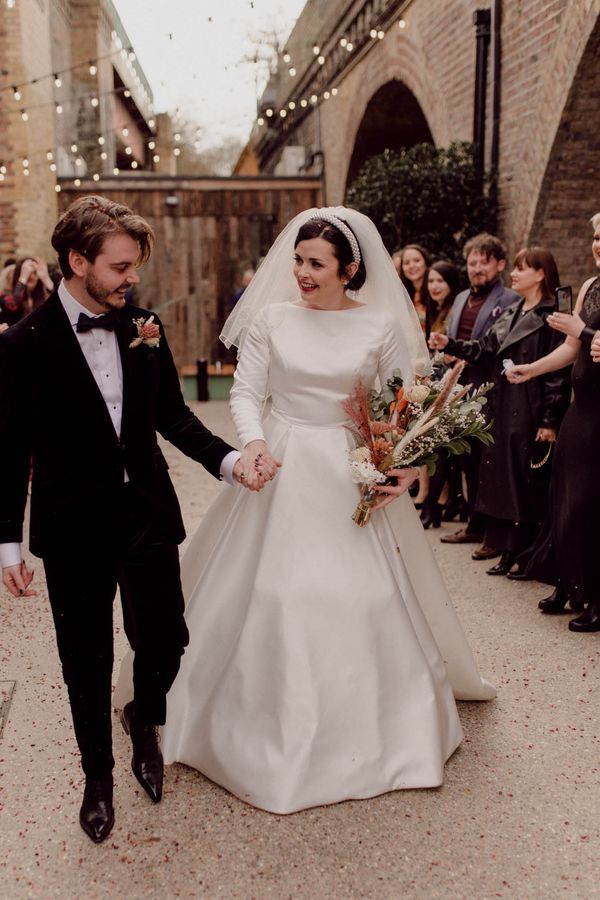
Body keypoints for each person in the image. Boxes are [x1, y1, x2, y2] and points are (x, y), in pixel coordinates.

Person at [115, 206, 495, 815]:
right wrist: (253, 443)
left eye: (316, 264)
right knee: (275, 592)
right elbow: (246, 391)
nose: (302, 273)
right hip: (282, 464)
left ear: (349, 270)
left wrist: (406, 460)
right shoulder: (273, 319)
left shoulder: (379, 325)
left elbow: (407, 400)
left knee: (365, 594)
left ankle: (375, 726)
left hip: (351, 470)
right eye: (297, 260)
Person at [0, 195, 260, 843]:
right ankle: (98, 778)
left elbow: (172, 414)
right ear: (77, 261)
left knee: (167, 638)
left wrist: (230, 461)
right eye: (119, 267)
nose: (132, 278)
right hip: (71, 527)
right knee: (84, 660)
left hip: (146, 513)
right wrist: (7, 544)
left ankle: (143, 716)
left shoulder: (145, 326)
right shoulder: (22, 344)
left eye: (134, 266)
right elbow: (8, 449)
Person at [430, 247, 571, 574]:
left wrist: (549, 419)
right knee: (503, 477)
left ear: (540, 274)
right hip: (504, 401)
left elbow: (559, 372)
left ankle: (523, 552)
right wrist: (449, 344)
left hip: (531, 405)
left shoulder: (553, 313)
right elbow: (485, 348)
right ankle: (507, 548)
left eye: (522, 268)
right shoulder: (513, 310)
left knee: (526, 479)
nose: (514, 274)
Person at [507, 213, 600, 632]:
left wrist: (584, 331)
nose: (598, 244)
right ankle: (569, 583)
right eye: (596, 236)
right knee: (563, 497)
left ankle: (596, 595)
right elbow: (569, 348)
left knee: (590, 503)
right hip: (582, 410)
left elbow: (584, 336)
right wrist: (532, 369)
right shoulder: (590, 286)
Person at [439, 233, 520, 554]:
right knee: (467, 459)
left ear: (500, 264)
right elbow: (452, 335)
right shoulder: (460, 298)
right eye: (472, 263)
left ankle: (488, 528)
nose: (476, 269)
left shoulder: (510, 300)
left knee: (488, 461)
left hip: (491, 389)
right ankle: (473, 522)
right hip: (459, 388)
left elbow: (497, 347)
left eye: (484, 262)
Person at [420, 260, 465, 528]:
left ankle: (434, 506)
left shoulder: (455, 311)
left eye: (441, 281)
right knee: (441, 446)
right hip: (436, 380)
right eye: (431, 281)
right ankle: (449, 502)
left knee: (440, 446)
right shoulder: (434, 311)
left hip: (453, 382)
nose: (435, 286)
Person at [0, 256, 54, 327]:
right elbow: (13, 303)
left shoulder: (43, 298)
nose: (31, 276)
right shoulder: (6, 296)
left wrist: (46, 279)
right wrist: (23, 278)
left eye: (35, 273)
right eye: (28, 273)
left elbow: (60, 305)